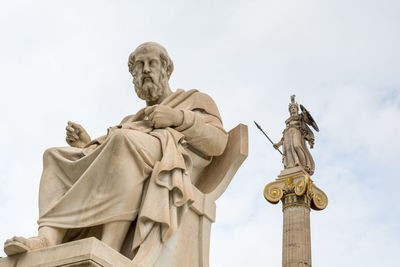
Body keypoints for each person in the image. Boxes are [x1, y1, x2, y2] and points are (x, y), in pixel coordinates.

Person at [4, 42, 228, 261]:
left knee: (123, 141)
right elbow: (107, 156)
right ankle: (47, 238)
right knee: (53, 156)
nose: (146, 70)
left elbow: (218, 142)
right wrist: (87, 145)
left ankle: (109, 245)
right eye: (139, 66)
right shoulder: (132, 120)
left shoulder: (194, 100)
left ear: (167, 69)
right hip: (133, 149)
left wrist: (177, 118)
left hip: (170, 161)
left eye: (151, 63)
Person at [273, 95, 315, 175]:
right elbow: (283, 137)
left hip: (296, 132)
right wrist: (278, 144)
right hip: (288, 134)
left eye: (294, 108)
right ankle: (293, 165)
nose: (292, 109)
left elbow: (308, 121)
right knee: (288, 149)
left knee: (296, 146)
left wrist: (304, 113)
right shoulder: (288, 121)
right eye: (291, 108)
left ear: (297, 109)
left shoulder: (300, 117)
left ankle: (304, 165)